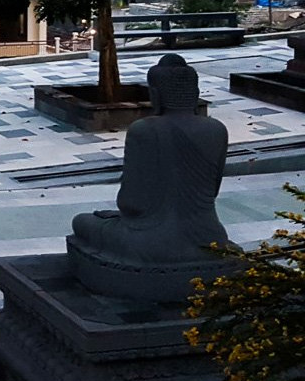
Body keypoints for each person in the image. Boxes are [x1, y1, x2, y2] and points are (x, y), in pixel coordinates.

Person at [70, 54, 231, 264]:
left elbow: (131, 202)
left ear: (156, 94)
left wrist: (119, 215)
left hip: (151, 240)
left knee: (82, 222)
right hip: (211, 237)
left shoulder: (145, 130)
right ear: (195, 93)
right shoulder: (217, 129)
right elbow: (213, 191)